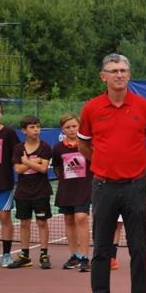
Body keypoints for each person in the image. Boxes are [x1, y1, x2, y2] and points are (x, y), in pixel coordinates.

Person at [78, 53, 146, 293]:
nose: (119, 74)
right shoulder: (92, 108)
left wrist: (140, 168)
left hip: (135, 188)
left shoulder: (143, 106)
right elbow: (83, 146)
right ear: (103, 76)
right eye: (113, 70)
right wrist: (104, 165)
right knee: (102, 250)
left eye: (124, 70)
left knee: (139, 249)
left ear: (129, 74)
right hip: (103, 187)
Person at [7, 115, 53, 269]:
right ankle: (25, 256)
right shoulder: (18, 148)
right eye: (32, 127)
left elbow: (43, 168)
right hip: (23, 193)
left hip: (41, 192)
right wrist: (33, 162)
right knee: (24, 223)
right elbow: (18, 170)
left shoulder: (45, 147)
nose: (36, 130)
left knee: (41, 222)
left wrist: (26, 161)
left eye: (38, 127)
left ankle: (44, 254)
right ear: (24, 130)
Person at [52, 113, 92, 272]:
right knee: (68, 220)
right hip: (66, 189)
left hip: (84, 188)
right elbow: (56, 168)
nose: (71, 129)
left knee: (81, 218)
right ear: (63, 129)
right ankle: (74, 255)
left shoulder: (87, 145)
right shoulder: (58, 148)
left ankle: (84, 256)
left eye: (74, 126)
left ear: (79, 126)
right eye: (67, 127)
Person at [0, 100, 20, 268]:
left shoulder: (8, 133)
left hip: (4, 183)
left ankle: (7, 254)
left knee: (5, 217)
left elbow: (18, 154)